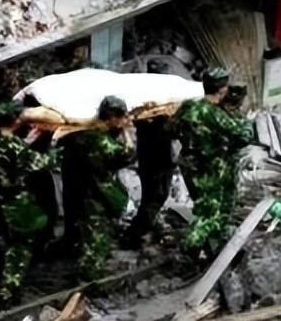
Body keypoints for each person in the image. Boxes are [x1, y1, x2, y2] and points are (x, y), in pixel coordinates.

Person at [171, 67, 254, 257]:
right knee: (211, 213)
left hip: (188, 164)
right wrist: (241, 121)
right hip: (209, 167)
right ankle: (188, 247)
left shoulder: (188, 106)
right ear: (223, 90)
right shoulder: (215, 115)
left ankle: (211, 243)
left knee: (204, 206)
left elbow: (171, 129)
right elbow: (244, 135)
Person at [0, 101, 58, 304]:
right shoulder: (14, 146)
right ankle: (7, 294)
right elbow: (42, 163)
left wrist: (28, 142)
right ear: (16, 120)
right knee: (21, 248)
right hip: (18, 203)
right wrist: (55, 144)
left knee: (11, 241)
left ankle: (1, 280)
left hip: (1, 198)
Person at [63, 95, 134, 280]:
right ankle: (90, 280)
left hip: (82, 191)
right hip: (94, 195)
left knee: (90, 236)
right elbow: (127, 155)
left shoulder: (84, 135)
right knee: (97, 239)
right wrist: (126, 132)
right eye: (122, 117)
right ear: (112, 117)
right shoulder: (99, 140)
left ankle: (89, 273)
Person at [127, 60, 176, 245]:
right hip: (155, 153)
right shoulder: (151, 102)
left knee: (155, 194)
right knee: (155, 195)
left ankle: (140, 228)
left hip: (154, 152)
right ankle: (135, 233)